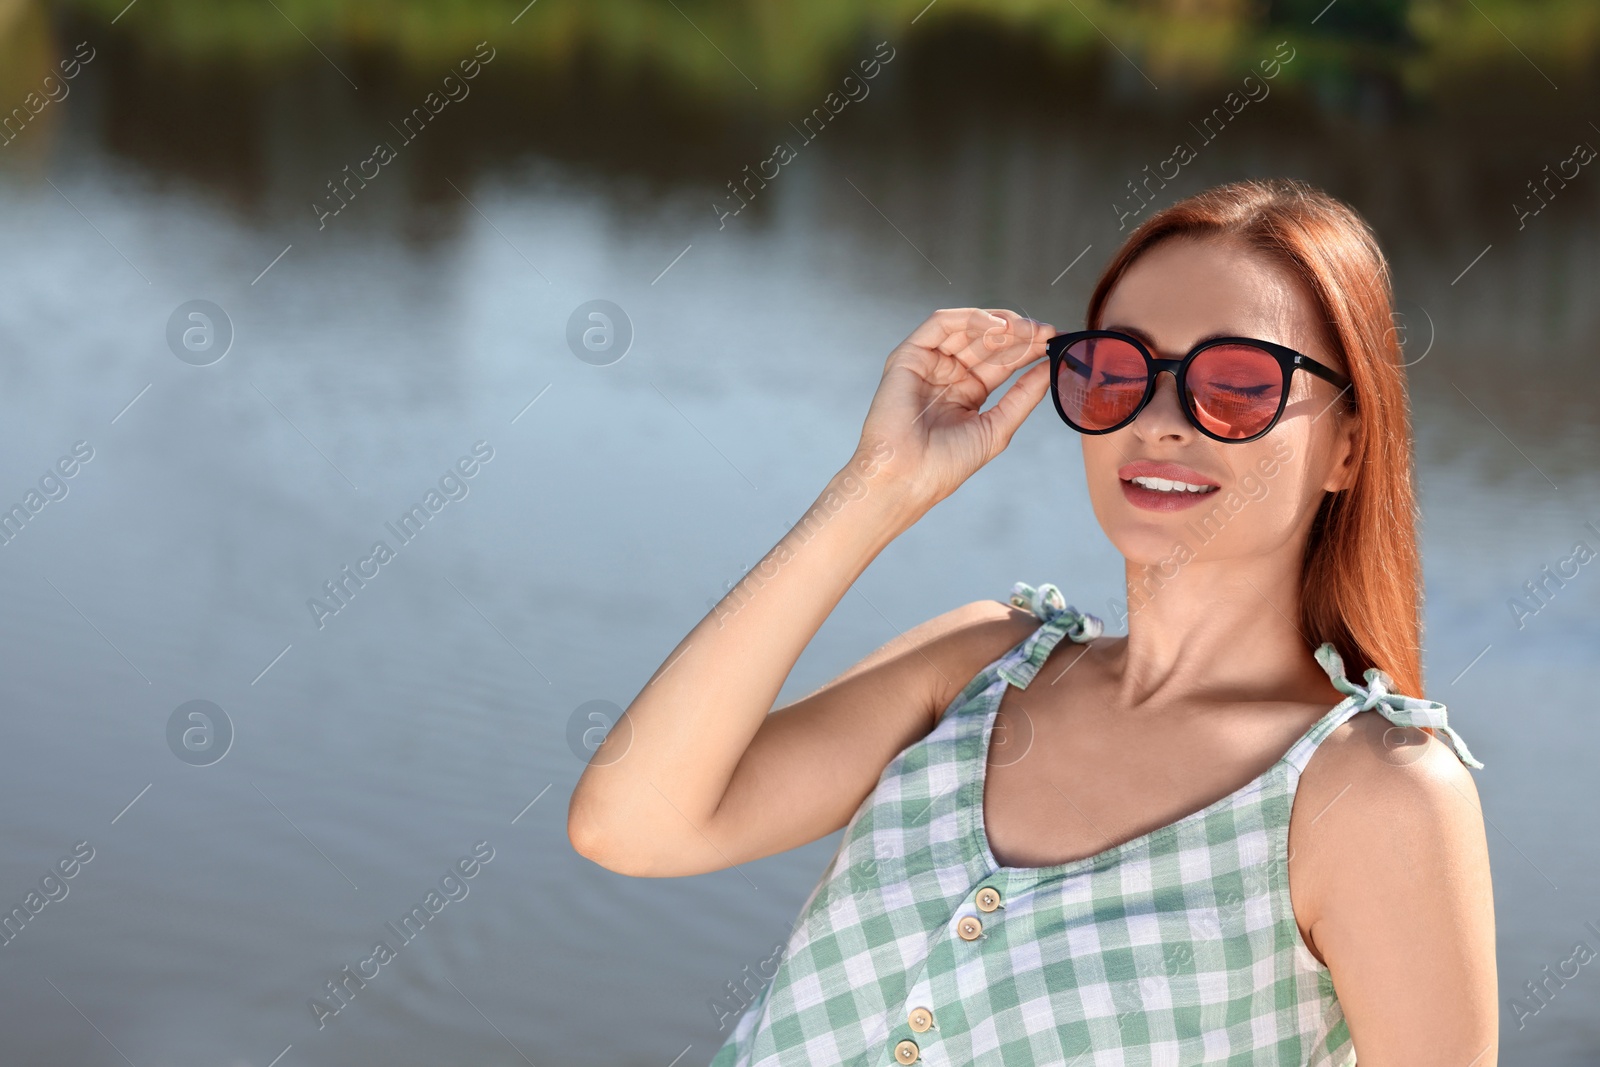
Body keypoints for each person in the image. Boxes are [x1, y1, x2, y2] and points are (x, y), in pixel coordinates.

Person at [567, 178, 1497, 1065]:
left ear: (1347, 445)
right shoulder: (975, 668)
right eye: (1120, 369)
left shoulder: (1376, 796)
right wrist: (879, 487)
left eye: (1239, 384)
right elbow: (635, 825)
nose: (1160, 419)